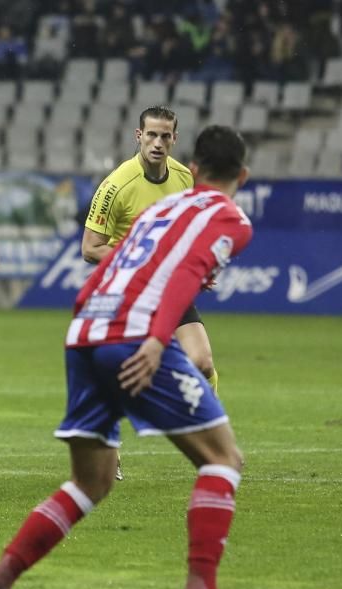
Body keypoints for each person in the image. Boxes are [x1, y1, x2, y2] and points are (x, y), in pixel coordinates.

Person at [0, 125, 271, 589]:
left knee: (92, 481)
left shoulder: (159, 210)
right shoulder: (233, 219)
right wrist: (154, 341)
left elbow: (132, 262)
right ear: (243, 175)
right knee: (222, 459)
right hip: (133, 336)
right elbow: (178, 276)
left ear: (192, 170)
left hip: (85, 330)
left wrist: (89, 323)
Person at [81, 106, 204, 481]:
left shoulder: (184, 177)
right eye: (151, 135)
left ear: (174, 139)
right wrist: (141, 263)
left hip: (167, 286)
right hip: (125, 288)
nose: (158, 142)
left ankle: (203, 438)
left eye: (165, 136)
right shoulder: (116, 184)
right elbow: (90, 248)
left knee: (202, 361)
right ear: (138, 136)